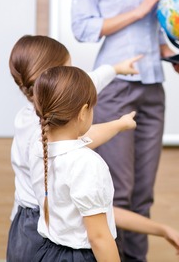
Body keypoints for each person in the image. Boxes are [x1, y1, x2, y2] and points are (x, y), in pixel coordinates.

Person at [7, 35, 179, 261]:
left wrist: (114, 70)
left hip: (30, 233)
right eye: (69, 69)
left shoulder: (41, 141)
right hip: (41, 233)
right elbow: (99, 235)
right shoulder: (82, 163)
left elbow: (89, 85)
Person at [71, 0, 179, 260]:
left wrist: (174, 55)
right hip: (116, 87)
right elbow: (82, 27)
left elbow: (151, 32)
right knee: (119, 191)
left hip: (152, 87)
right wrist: (139, 10)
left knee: (143, 194)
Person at [30, 66, 120, 261]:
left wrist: (120, 124)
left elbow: (80, 139)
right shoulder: (87, 164)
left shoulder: (37, 147)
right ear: (83, 111)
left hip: (47, 252)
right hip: (80, 256)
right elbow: (99, 238)